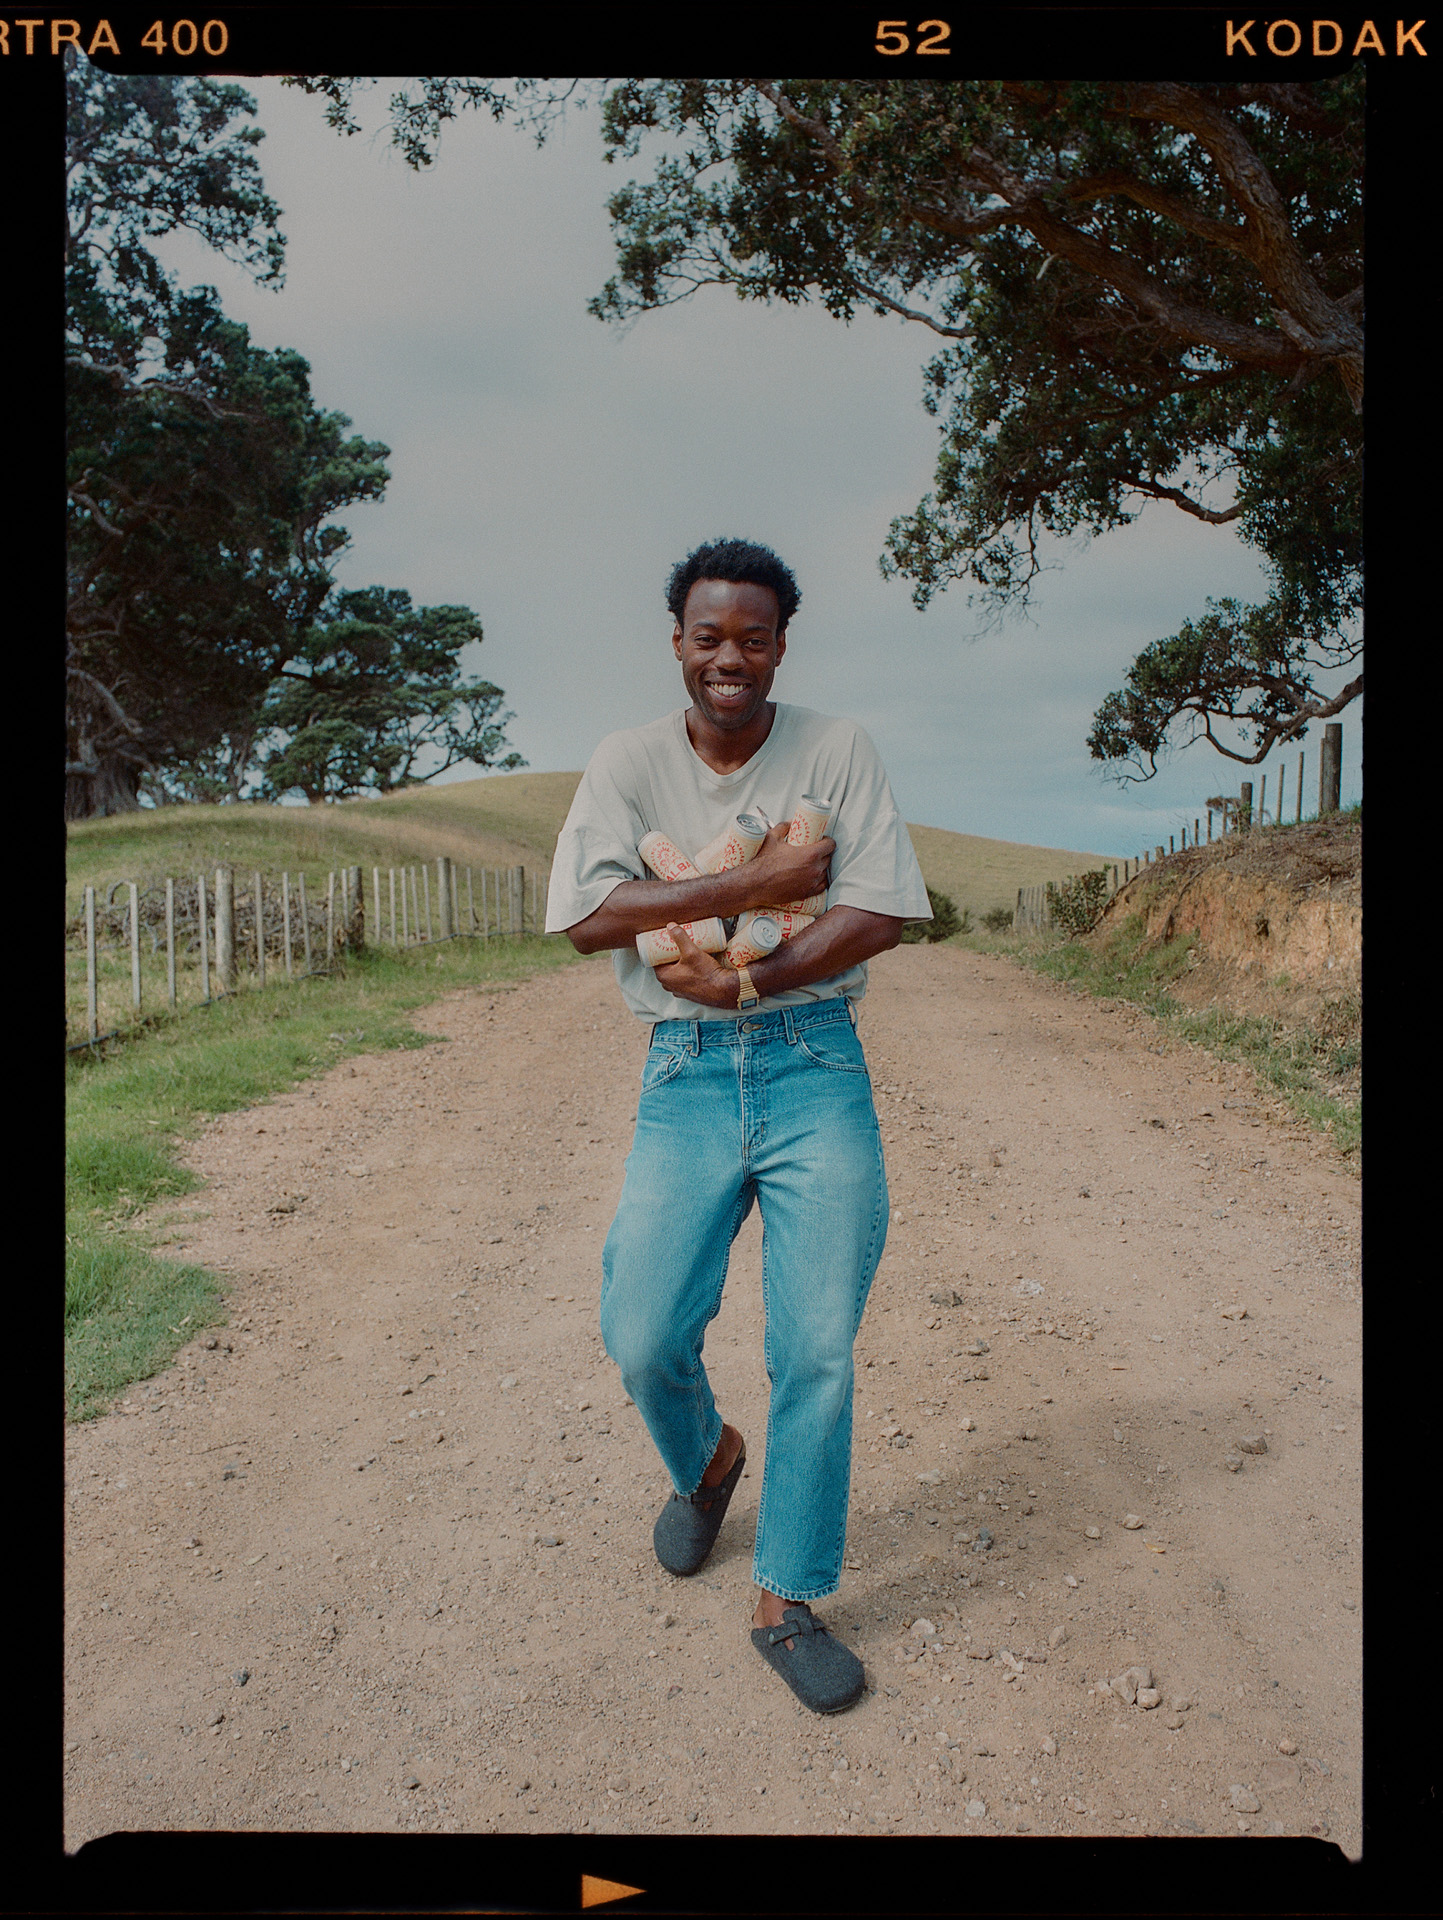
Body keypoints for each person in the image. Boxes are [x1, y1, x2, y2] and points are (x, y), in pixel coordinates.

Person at [545, 537, 931, 1714]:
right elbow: (588, 918)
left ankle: (787, 1597)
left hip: (814, 1059)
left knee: (815, 1348)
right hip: (687, 1068)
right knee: (641, 1330)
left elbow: (879, 910)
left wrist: (755, 975)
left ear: (780, 647)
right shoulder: (628, 761)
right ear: (678, 641)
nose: (731, 657)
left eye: (753, 639)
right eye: (709, 636)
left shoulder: (837, 747)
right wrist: (748, 889)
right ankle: (709, 1459)